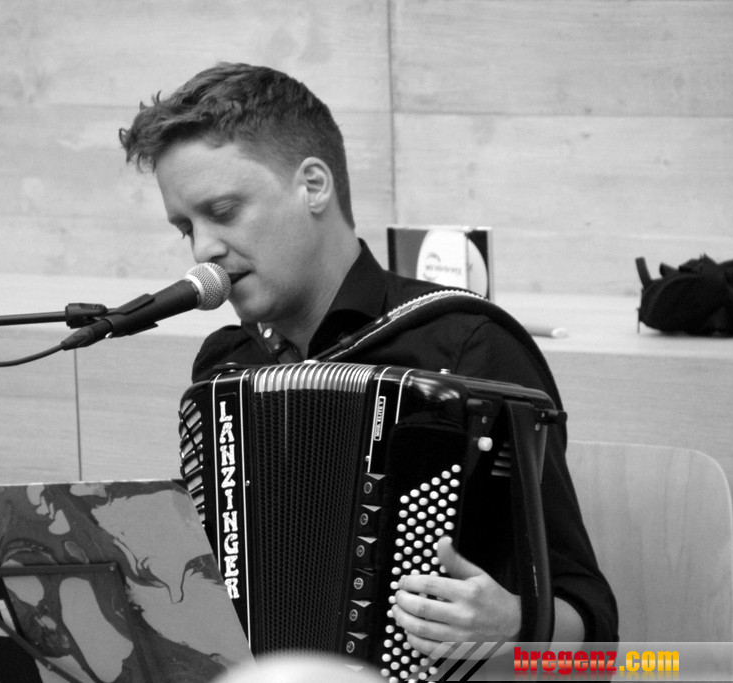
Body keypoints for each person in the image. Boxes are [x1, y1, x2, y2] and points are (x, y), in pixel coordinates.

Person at [120, 62, 618, 650]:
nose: (203, 249)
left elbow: (593, 623)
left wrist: (513, 622)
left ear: (313, 186)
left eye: (224, 212)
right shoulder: (226, 368)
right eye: (186, 228)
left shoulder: (466, 345)